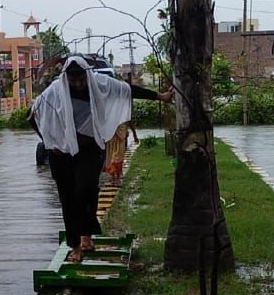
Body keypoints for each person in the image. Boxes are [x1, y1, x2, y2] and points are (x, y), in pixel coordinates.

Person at [30, 55, 172, 263]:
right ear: (66, 78)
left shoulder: (100, 84)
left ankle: (86, 235)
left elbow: (127, 90)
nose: (78, 84)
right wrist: (49, 142)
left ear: (88, 74)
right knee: (68, 198)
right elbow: (32, 115)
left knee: (86, 188)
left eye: (81, 80)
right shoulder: (53, 92)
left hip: (89, 148)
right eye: (73, 80)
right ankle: (76, 245)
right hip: (61, 153)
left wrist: (160, 97)